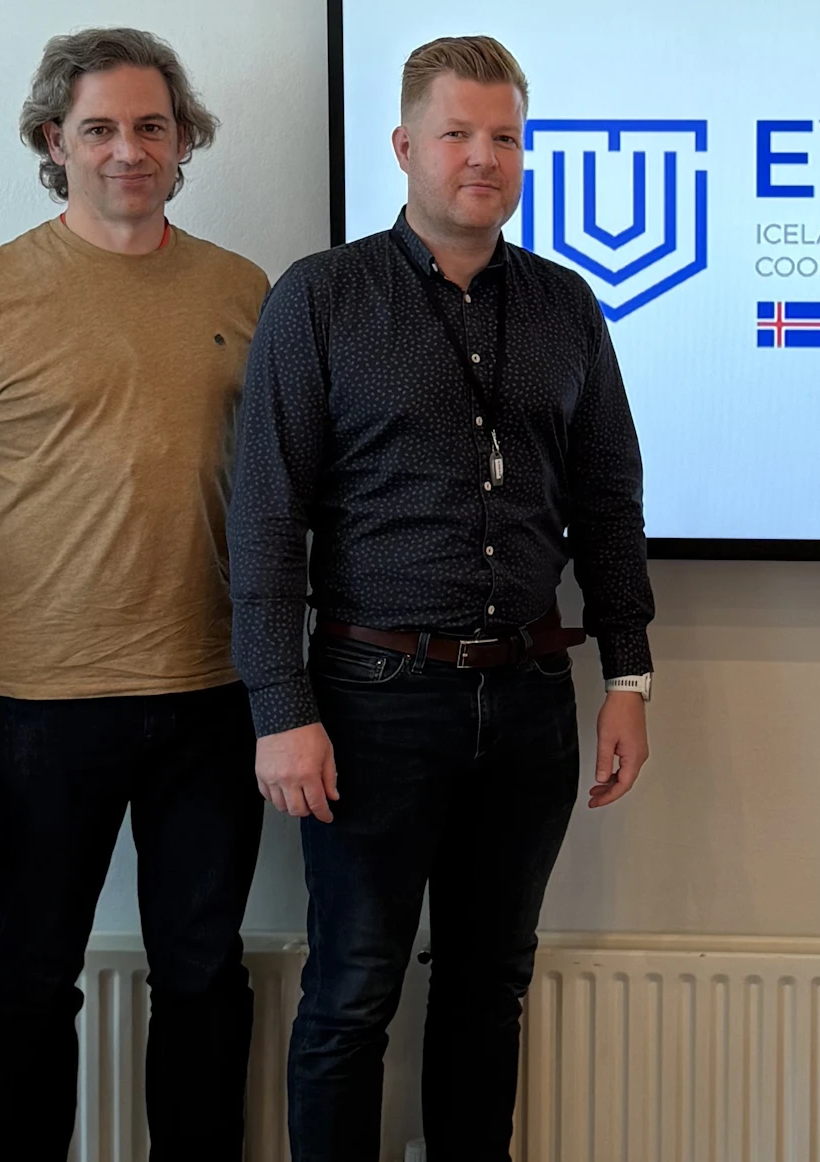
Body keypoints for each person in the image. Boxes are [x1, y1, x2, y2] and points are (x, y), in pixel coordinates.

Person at [229, 34, 655, 1160]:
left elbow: (609, 500)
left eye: (505, 137)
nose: (483, 157)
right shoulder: (322, 298)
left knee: (489, 984)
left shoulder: (565, 304)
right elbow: (266, 512)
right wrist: (279, 704)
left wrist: (628, 674)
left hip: (528, 698)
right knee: (352, 991)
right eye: (457, 133)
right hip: (371, 698)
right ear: (404, 145)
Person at [0, 28, 270, 1158]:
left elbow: (288, 503)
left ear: (185, 138)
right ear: (53, 141)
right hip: (37, 708)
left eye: (152, 126)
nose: (127, 150)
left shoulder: (246, 290)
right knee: (29, 977)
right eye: (99, 128)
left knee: (204, 975)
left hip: (215, 697)